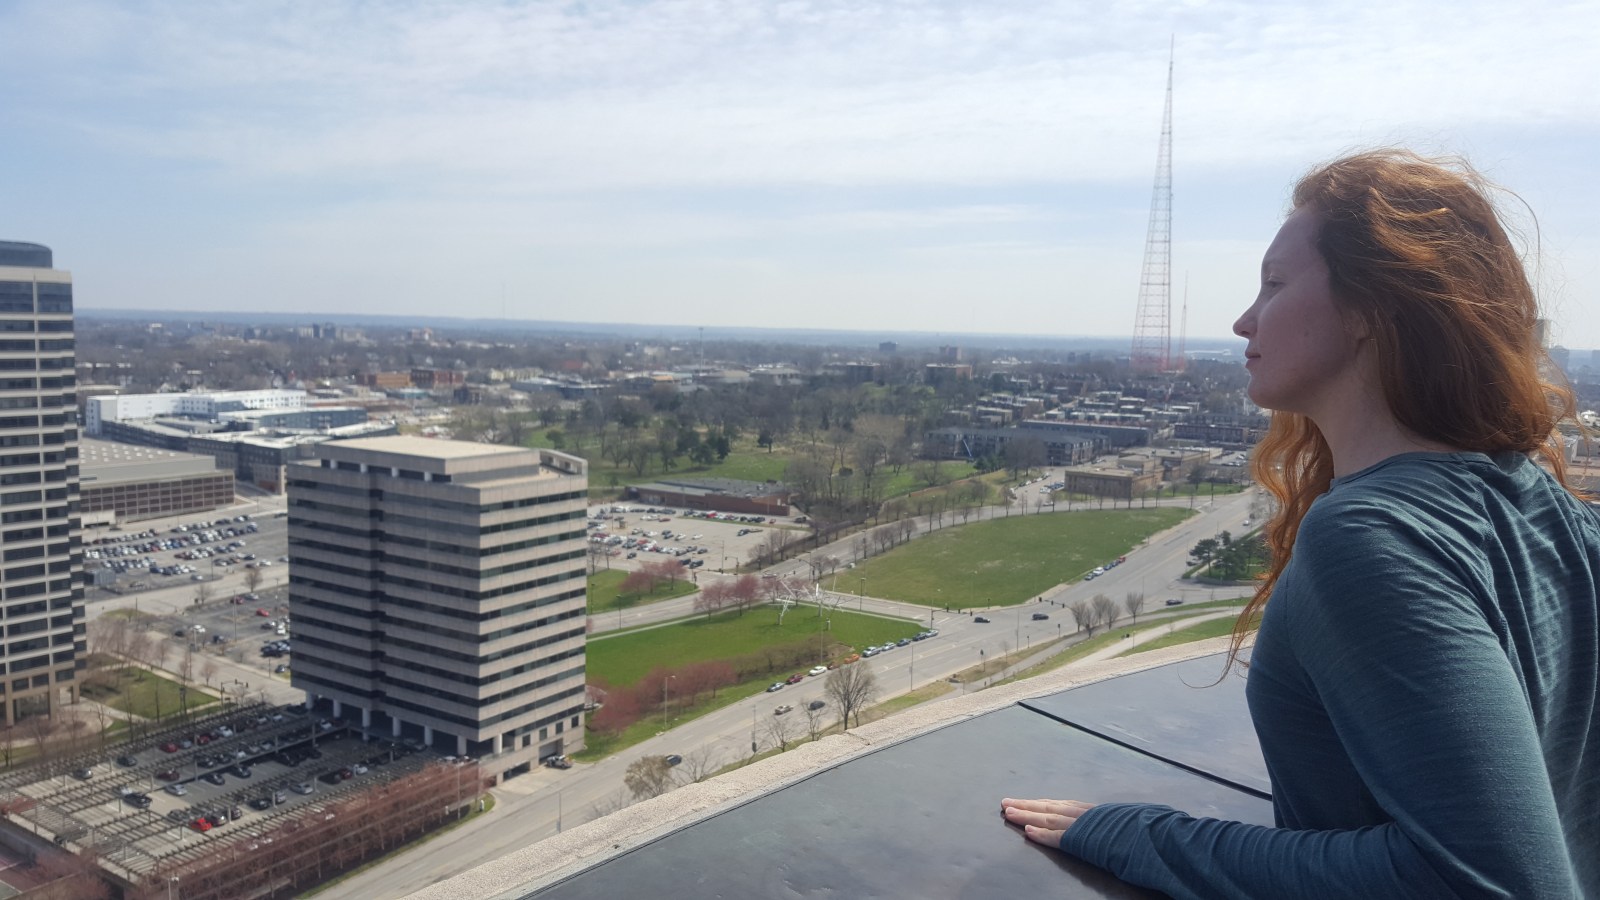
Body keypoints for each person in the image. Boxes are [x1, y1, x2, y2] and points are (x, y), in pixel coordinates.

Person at [1001, 149, 1599, 898]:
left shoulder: (1373, 538)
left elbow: (1488, 885)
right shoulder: (1550, 507)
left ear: (1369, 310)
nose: (1243, 320)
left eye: (1275, 285)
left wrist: (1142, 837)